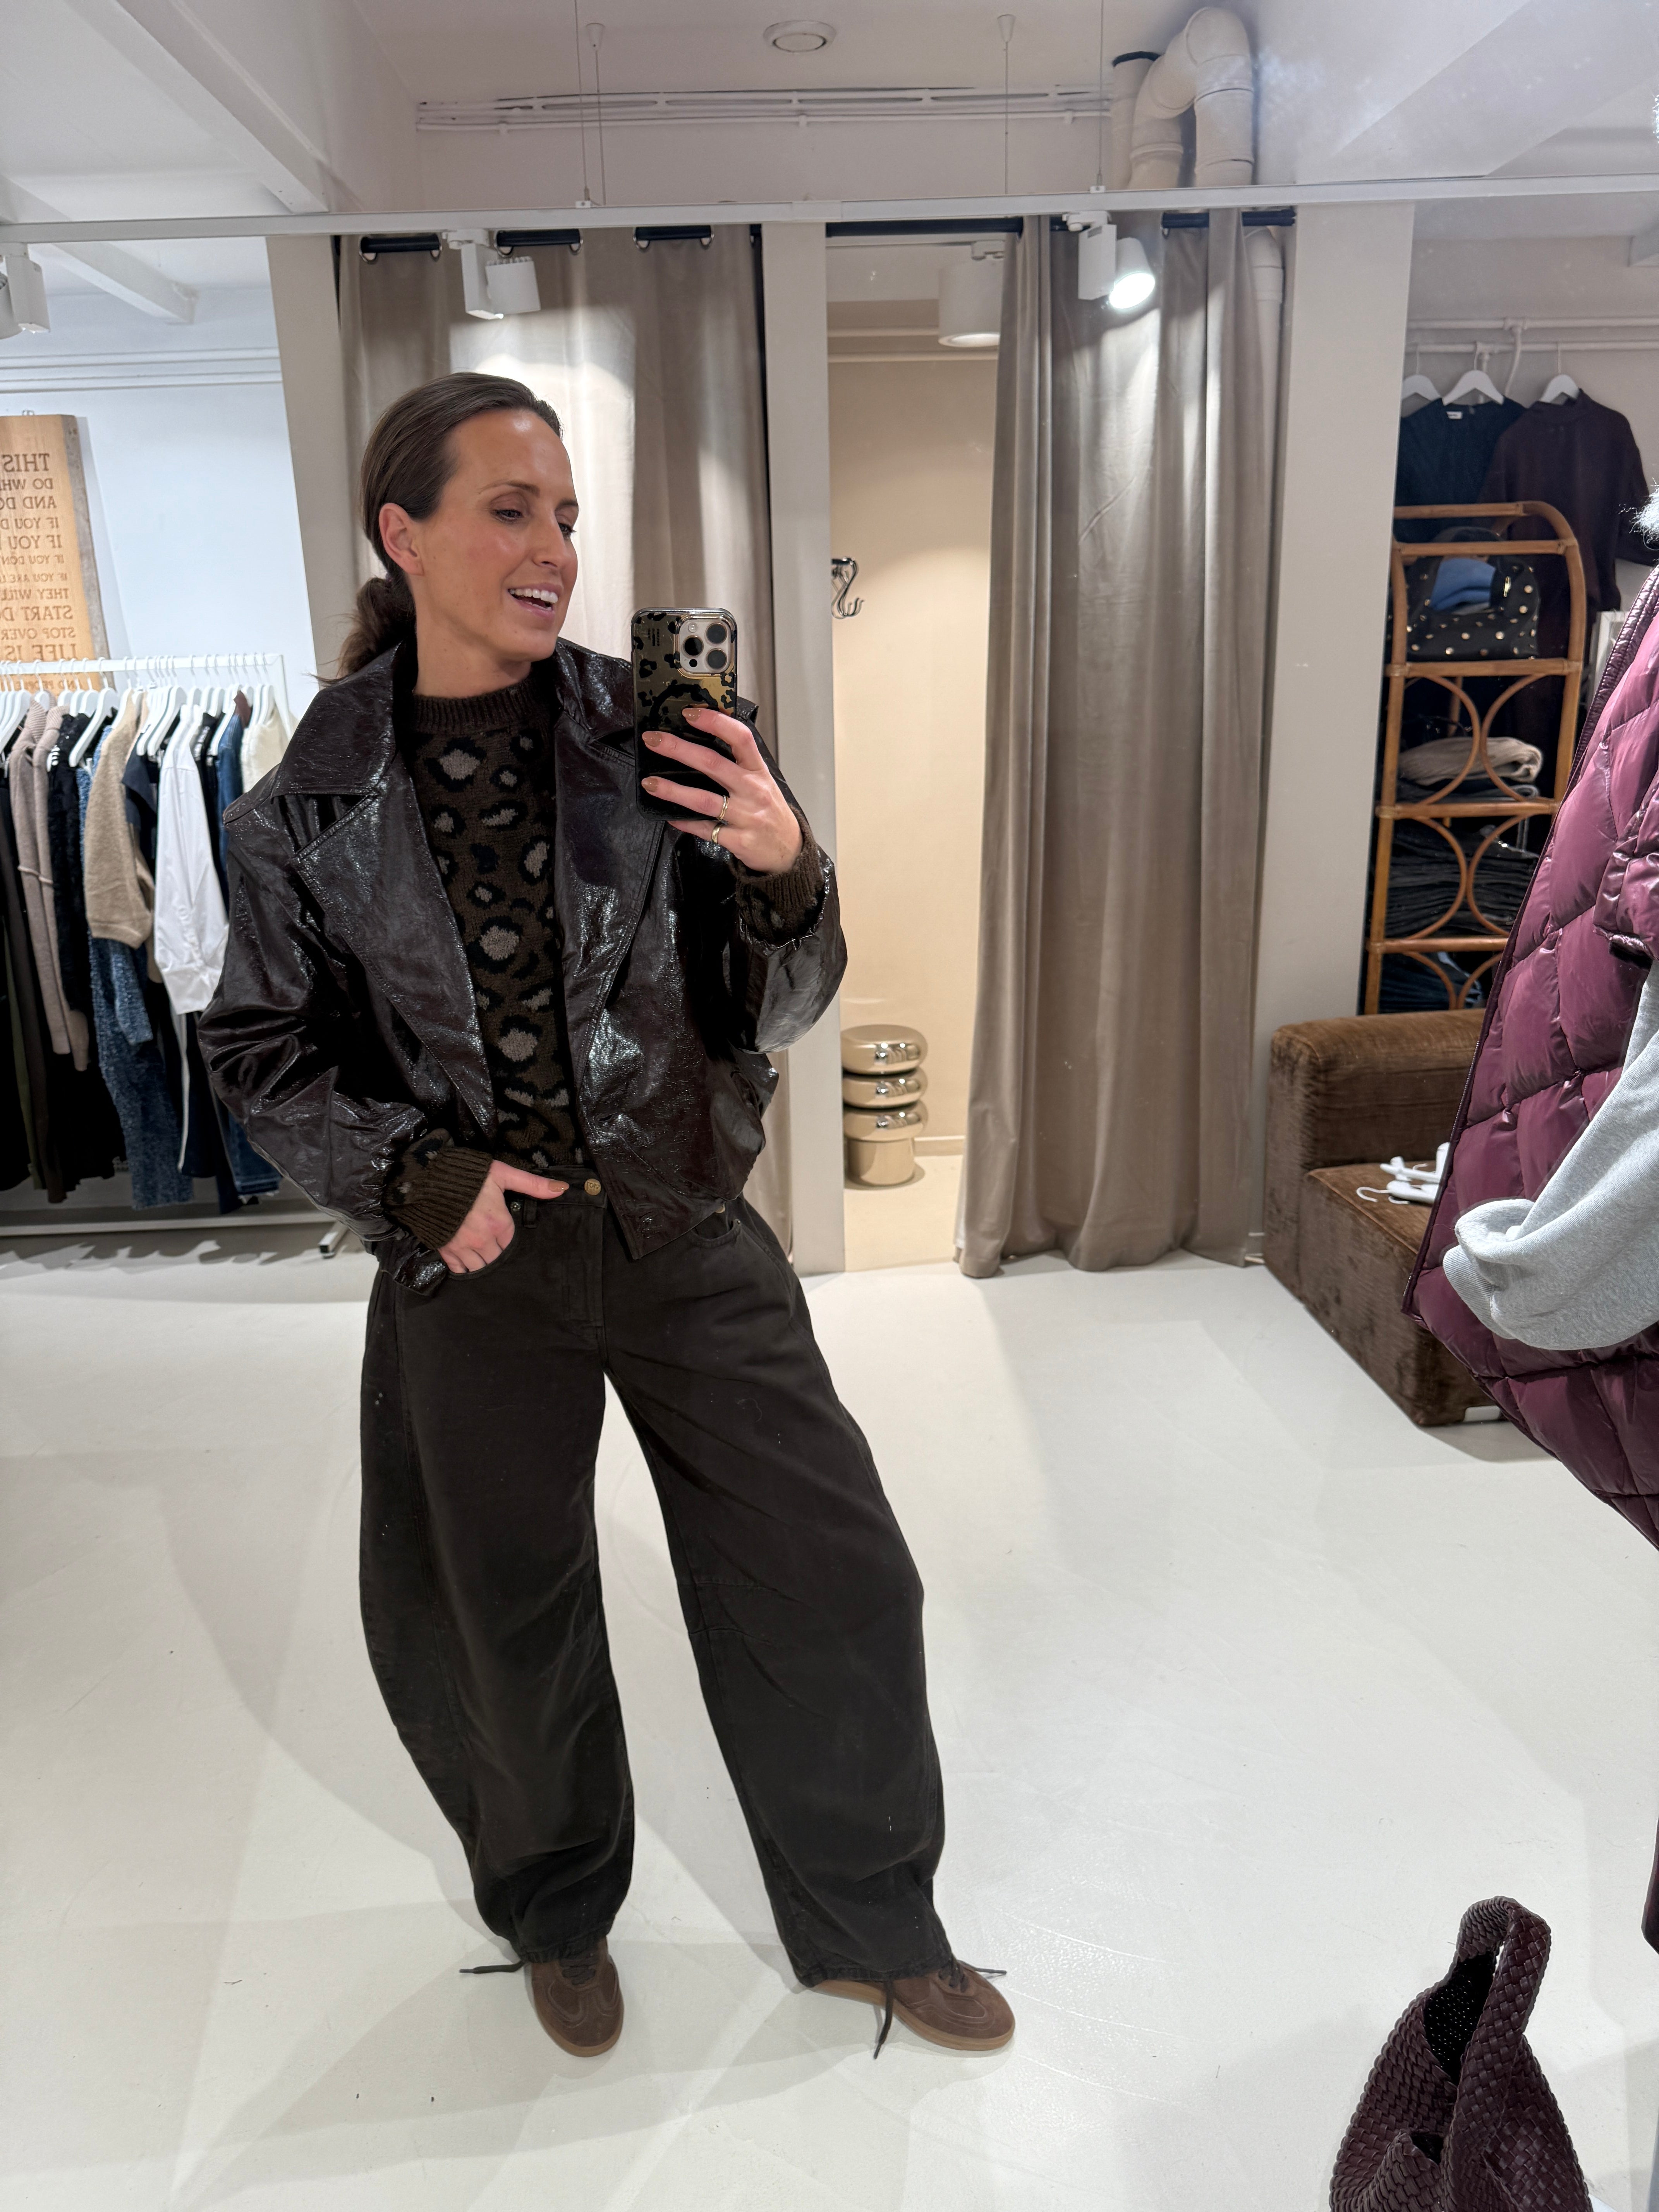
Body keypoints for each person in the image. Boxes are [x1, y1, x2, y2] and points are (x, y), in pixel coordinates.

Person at [198, 371, 1012, 2060]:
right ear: (402, 532)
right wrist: (421, 1182)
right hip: (474, 1263)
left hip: (682, 1222)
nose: (554, 548)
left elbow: (778, 1008)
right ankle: (558, 1912)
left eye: (566, 515)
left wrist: (786, 871)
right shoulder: (303, 806)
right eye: (510, 510)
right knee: (500, 1613)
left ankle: (874, 1920)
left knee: (834, 1574)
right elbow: (263, 1052)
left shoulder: (661, 732)